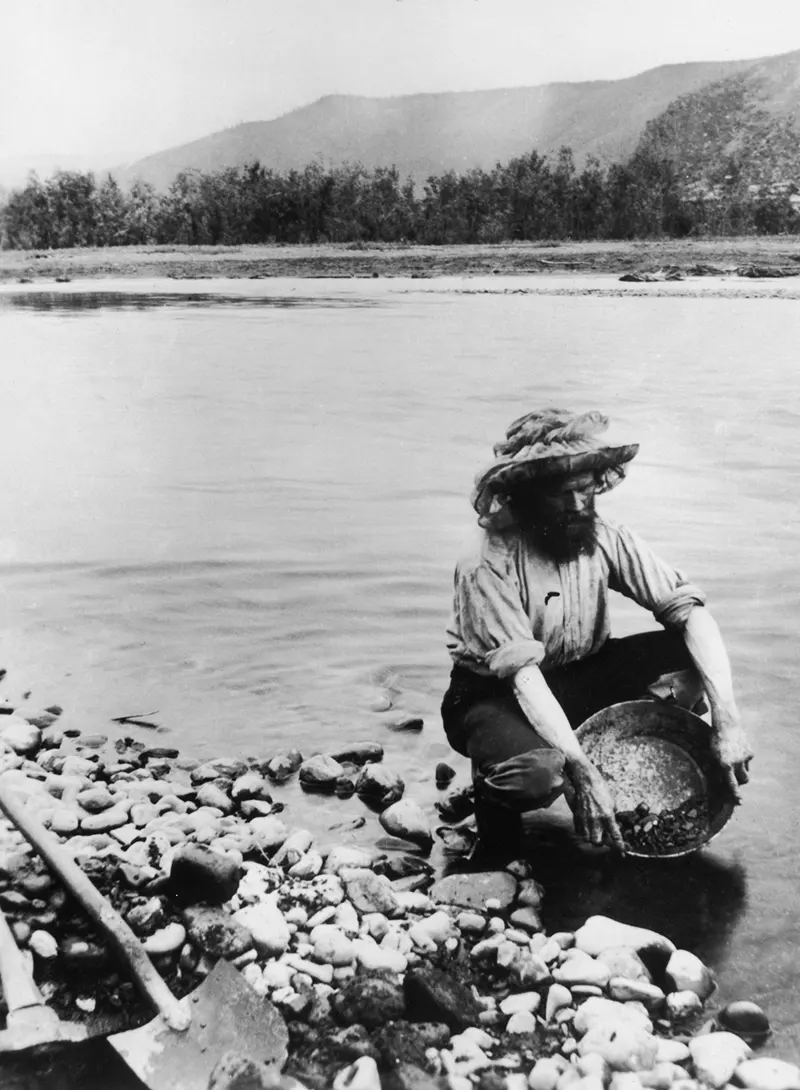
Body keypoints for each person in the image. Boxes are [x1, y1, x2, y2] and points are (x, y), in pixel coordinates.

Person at [441, 408, 752, 852]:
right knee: (540, 775)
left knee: (692, 653)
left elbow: (692, 613)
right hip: (492, 694)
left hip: (581, 673)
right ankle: (492, 798)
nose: (575, 506)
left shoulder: (604, 537)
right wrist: (581, 773)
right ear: (526, 496)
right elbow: (523, 676)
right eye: (559, 495)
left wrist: (727, 720)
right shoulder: (486, 561)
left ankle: (610, 755)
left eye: (584, 491)